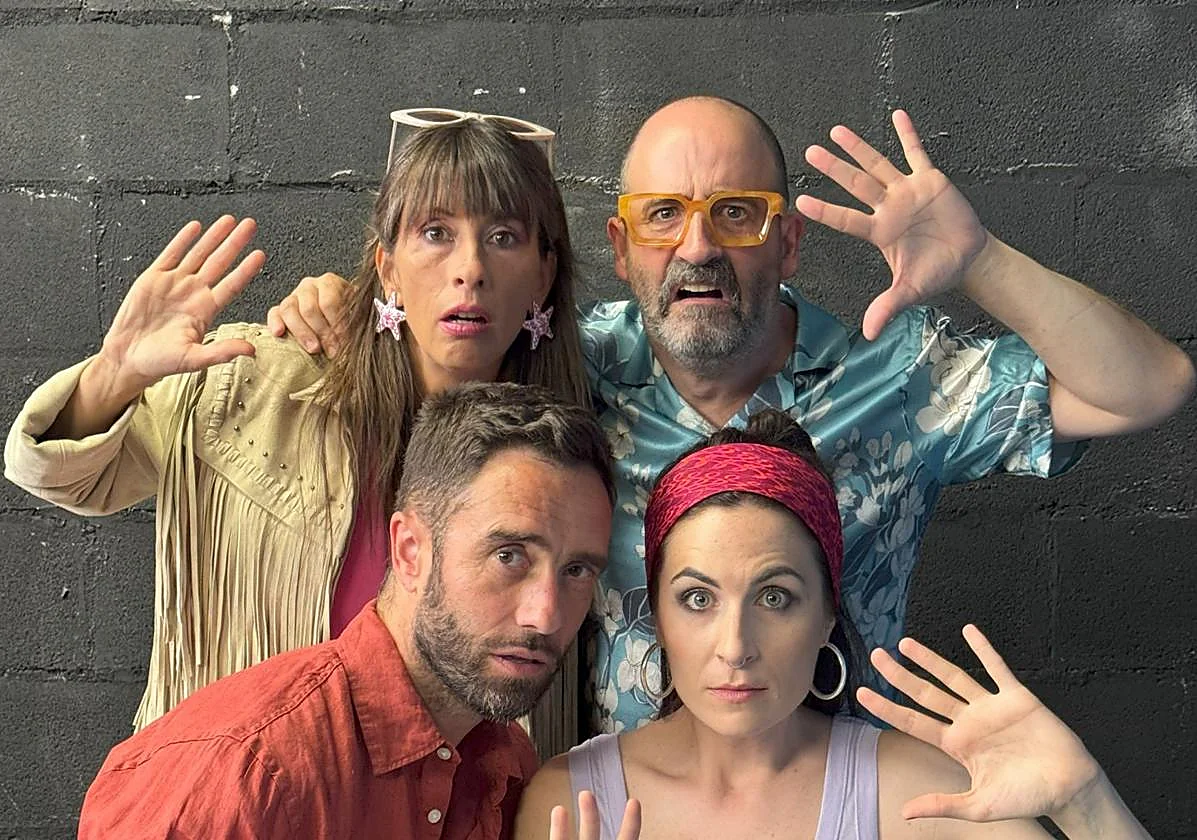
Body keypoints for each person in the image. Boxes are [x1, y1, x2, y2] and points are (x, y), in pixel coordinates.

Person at [270, 97, 1195, 734]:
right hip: (621, 806)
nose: (698, 247)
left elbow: (1148, 386)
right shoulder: (569, 366)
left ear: (788, 242)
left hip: (837, 804)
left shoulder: (897, 381)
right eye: (663, 216)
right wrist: (332, 307)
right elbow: (438, 329)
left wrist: (982, 261)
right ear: (620, 246)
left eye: (736, 214)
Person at [3, 113, 589, 734]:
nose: (470, 268)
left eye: (503, 237)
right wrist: (114, 374)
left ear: (543, 276)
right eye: (436, 233)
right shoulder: (252, 382)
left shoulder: (574, 445)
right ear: (388, 267)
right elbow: (64, 478)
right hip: (249, 785)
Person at [514, 409, 1154, 840]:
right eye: (699, 599)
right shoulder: (572, 800)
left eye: (775, 597)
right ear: (657, 614)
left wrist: (1086, 801)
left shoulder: (917, 794)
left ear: (826, 614)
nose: (735, 648)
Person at [77, 381, 615, 840]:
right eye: (509, 556)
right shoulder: (241, 772)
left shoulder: (506, 760)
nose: (546, 616)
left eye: (576, 571)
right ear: (410, 551)